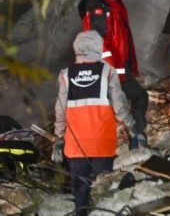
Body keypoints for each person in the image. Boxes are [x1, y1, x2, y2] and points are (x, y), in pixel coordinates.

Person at [53, 31, 143, 216]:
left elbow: (60, 110)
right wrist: (132, 127)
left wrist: (59, 137)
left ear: (77, 49)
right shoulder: (107, 71)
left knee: (81, 194)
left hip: (76, 145)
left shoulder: (65, 75)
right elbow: (119, 104)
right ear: (97, 47)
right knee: (103, 191)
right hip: (102, 142)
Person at [78, 0, 147, 147]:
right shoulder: (98, 6)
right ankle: (131, 140)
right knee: (135, 98)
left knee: (131, 99)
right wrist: (112, 72)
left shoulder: (113, 3)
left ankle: (133, 139)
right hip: (109, 70)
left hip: (118, 67)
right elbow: (99, 43)